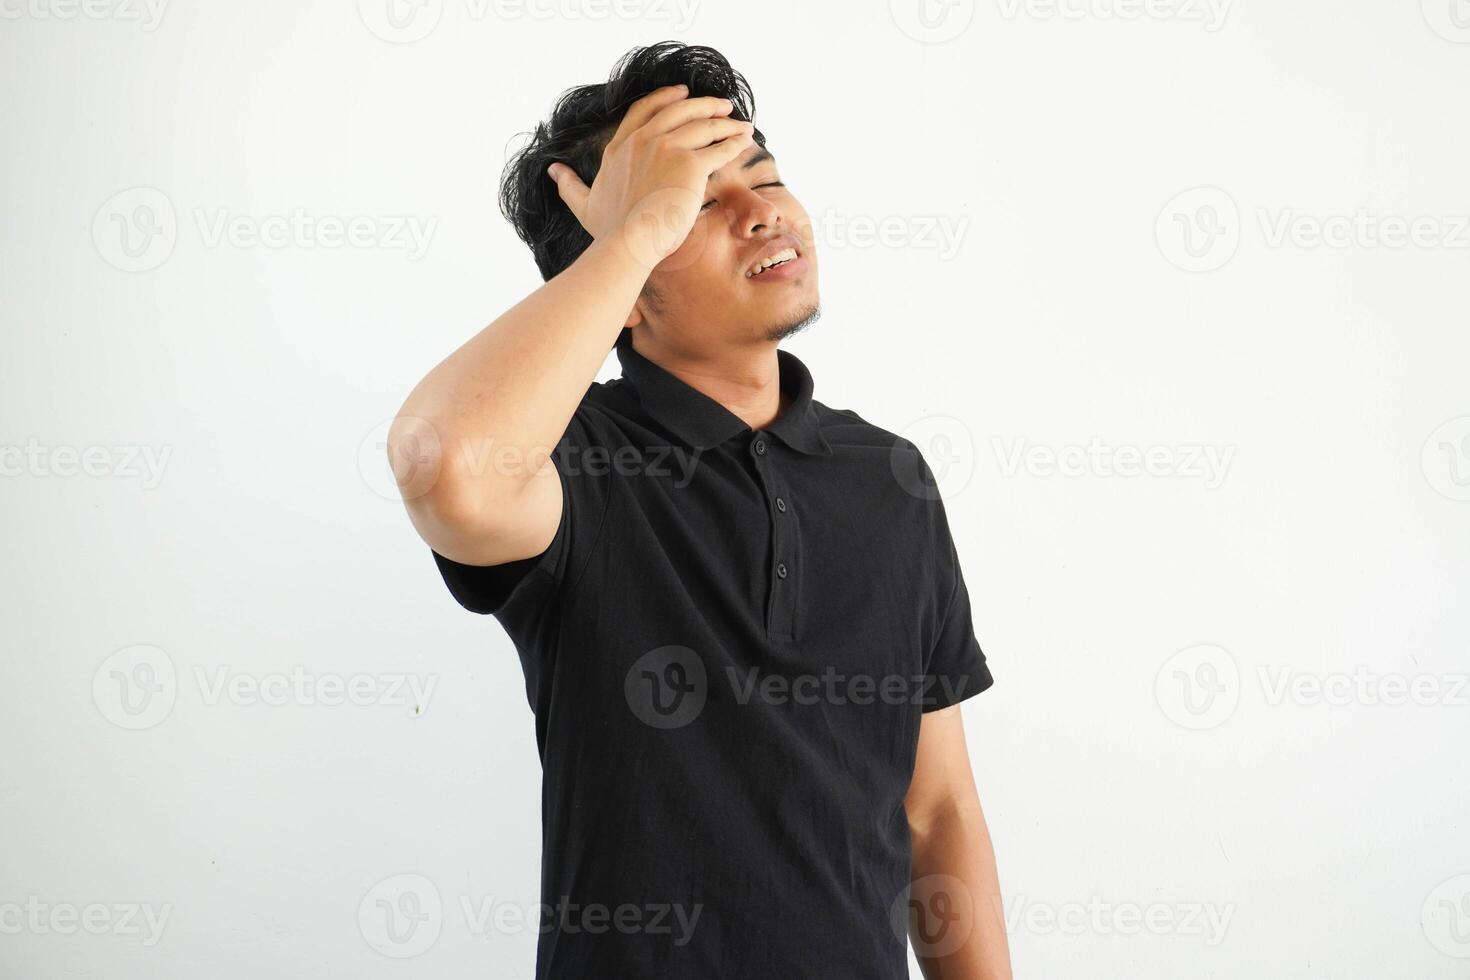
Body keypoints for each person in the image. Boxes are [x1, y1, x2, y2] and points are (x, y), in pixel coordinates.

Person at [389, 41, 1012, 980]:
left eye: (763, 177)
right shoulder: (569, 462)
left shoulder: (890, 477)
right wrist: (631, 235)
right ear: (620, 286)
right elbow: (446, 472)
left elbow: (939, 811)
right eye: (696, 206)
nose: (763, 214)